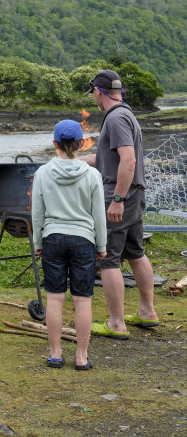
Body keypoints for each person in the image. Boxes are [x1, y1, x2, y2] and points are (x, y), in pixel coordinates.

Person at [80, 69, 159, 340]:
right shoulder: (125, 114)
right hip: (133, 195)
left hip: (119, 195)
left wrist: (117, 200)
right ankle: (147, 313)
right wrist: (75, 161)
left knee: (108, 259)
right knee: (135, 252)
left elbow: (128, 161)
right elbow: (108, 159)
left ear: (99, 91)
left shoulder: (115, 119)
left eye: (92, 92)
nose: (91, 97)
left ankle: (116, 323)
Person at [32, 120, 107, 371]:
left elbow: (37, 213)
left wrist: (38, 241)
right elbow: (99, 215)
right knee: (82, 300)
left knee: (54, 298)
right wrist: (102, 245)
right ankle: (82, 357)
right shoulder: (92, 174)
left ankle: (55, 354)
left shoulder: (43, 173)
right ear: (81, 143)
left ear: (55, 144)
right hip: (84, 239)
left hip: (53, 238)